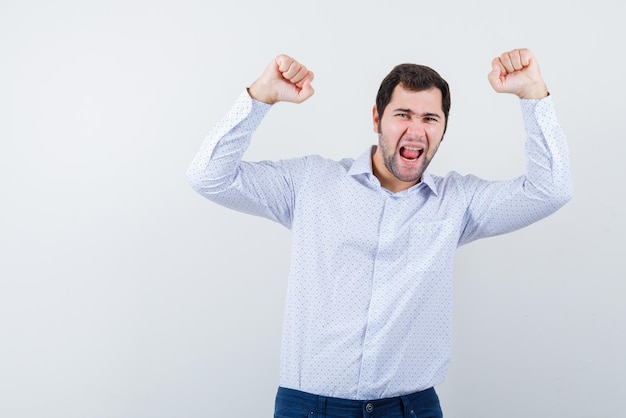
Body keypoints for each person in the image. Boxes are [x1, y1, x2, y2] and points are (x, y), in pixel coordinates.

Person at [187, 48, 572, 418]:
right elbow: (208, 177)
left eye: (430, 118)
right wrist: (259, 99)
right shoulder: (309, 183)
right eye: (402, 114)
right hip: (309, 408)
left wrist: (533, 96)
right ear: (376, 118)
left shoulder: (458, 203)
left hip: (410, 410)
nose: (416, 130)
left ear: (443, 128)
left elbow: (549, 190)